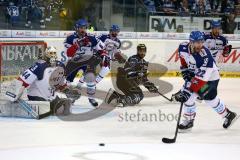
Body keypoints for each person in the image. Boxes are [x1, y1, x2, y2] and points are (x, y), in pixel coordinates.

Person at [172, 31, 238, 131]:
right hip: (197, 75)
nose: (200, 45)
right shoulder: (183, 47)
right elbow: (183, 59)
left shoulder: (205, 55)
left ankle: (228, 115)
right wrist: (185, 70)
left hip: (211, 78)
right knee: (204, 100)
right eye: (197, 42)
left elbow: (201, 79)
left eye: (202, 42)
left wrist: (187, 91)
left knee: (204, 99)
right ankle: (228, 115)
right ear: (191, 42)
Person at [5, 46, 81, 118]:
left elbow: (60, 84)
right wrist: (13, 92)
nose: (53, 55)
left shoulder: (61, 66)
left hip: (51, 98)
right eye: (51, 53)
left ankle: (52, 108)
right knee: (50, 108)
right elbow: (23, 80)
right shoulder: (39, 67)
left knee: (67, 104)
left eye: (54, 53)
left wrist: (67, 91)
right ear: (46, 54)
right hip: (37, 98)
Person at [64, 19, 109, 107]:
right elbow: (69, 53)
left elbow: (102, 49)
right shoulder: (70, 38)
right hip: (74, 61)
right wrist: (77, 45)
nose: (83, 30)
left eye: (84, 28)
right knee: (67, 80)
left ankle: (91, 97)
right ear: (76, 28)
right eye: (81, 28)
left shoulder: (91, 38)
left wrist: (104, 56)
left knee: (90, 78)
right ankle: (71, 97)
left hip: (87, 62)